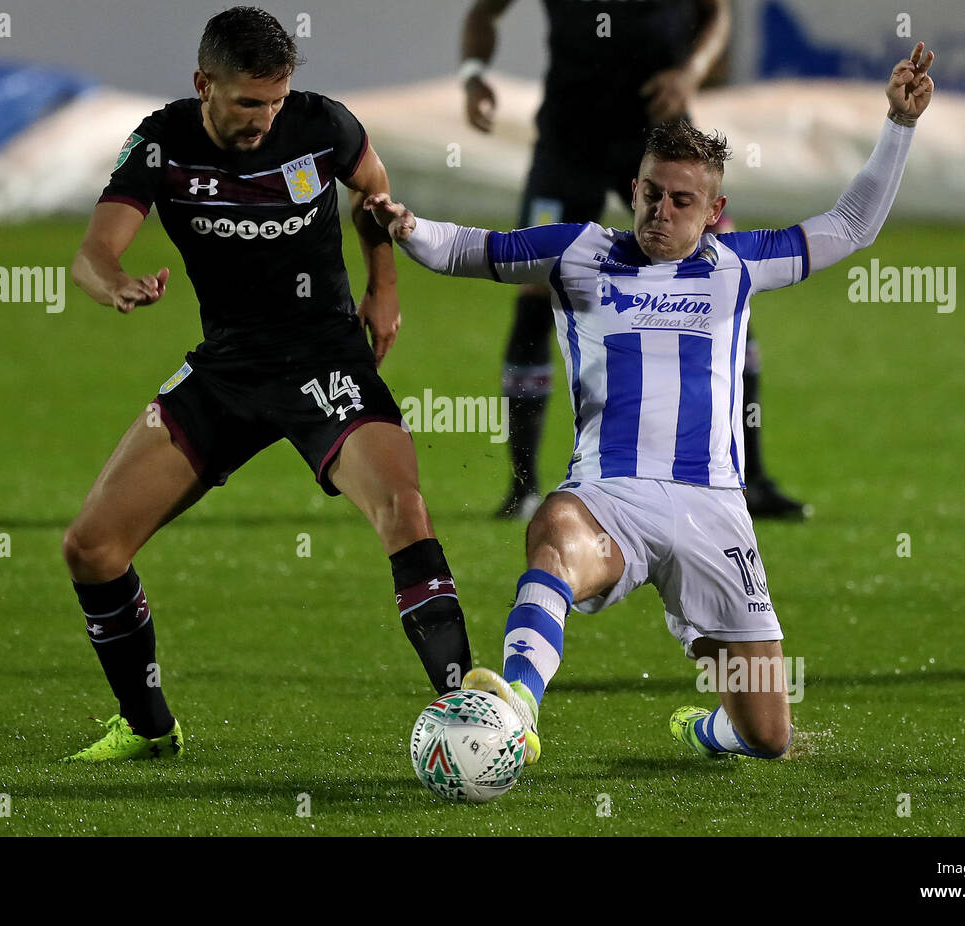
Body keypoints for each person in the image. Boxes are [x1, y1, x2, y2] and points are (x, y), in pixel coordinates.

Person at [369, 44, 935, 763]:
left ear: (714, 210)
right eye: (649, 193)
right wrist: (409, 228)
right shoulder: (580, 252)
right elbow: (473, 248)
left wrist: (899, 124)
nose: (660, 210)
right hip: (611, 499)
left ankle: (708, 730)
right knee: (552, 533)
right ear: (632, 190)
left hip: (715, 511)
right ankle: (513, 708)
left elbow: (850, 225)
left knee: (768, 736)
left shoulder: (737, 266)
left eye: (681, 200)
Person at [60, 6, 473, 762]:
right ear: (203, 84)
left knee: (404, 511)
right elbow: (92, 250)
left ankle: (467, 714)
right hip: (227, 369)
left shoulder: (323, 127)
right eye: (249, 102)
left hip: (325, 359)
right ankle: (149, 729)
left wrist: (384, 290)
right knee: (91, 549)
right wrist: (113, 282)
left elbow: (373, 191)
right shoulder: (162, 144)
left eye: (276, 100)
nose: (264, 118)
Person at [460, 0, 807, 520]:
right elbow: (484, 13)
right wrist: (473, 75)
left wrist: (690, 74)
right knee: (533, 290)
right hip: (569, 140)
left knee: (724, 283)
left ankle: (748, 478)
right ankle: (523, 488)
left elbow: (718, 12)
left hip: (662, 140)